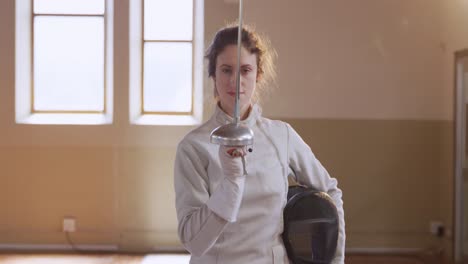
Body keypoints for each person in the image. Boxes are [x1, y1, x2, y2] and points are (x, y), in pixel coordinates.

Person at [174, 24, 345, 264]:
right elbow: (195, 242)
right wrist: (231, 186)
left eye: (245, 70)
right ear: (213, 74)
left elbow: (330, 192)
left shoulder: (281, 136)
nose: (236, 80)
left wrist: (335, 260)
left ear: (258, 74)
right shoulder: (193, 147)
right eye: (226, 70)